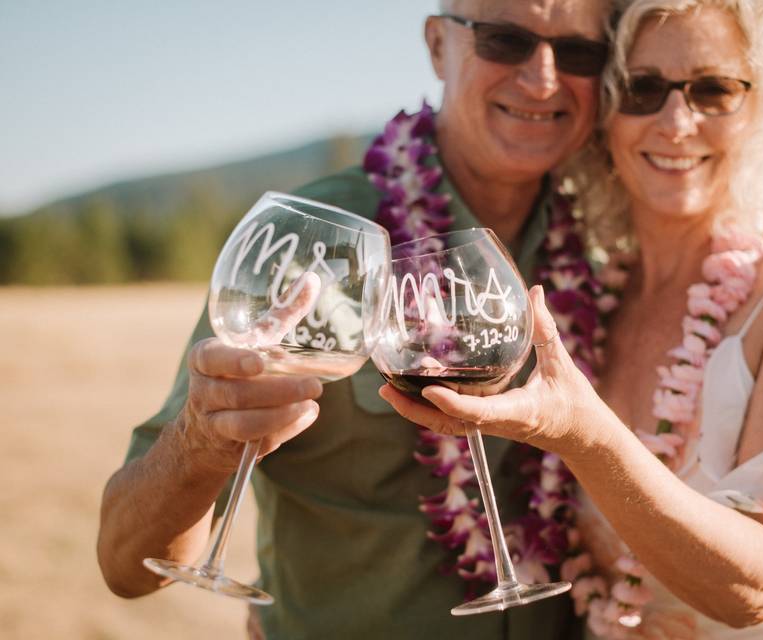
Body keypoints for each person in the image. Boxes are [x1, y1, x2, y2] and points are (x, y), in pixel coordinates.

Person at [379, 1, 763, 638]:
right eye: (642, 89)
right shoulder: (587, 293)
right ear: (606, 114)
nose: (676, 121)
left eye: (713, 90)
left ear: (760, 107)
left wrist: (585, 437)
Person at [96, 1, 612, 638]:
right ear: (436, 45)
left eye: (580, 52)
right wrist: (201, 442)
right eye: (505, 40)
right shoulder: (313, 241)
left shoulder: (609, 239)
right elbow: (125, 565)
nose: (542, 78)